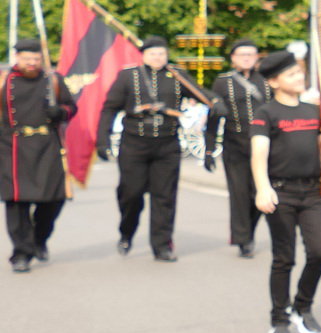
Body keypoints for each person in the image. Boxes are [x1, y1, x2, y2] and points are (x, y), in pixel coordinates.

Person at [249, 50, 321, 333]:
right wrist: (263, 188)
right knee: (283, 258)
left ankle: (302, 307)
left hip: (312, 193)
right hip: (281, 192)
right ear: (274, 82)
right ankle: (279, 320)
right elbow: (258, 153)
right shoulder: (266, 113)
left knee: (319, 252)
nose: (300, 77)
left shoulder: (314, 111)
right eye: (291, 74)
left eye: (300, 72)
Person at [96, 36, 189, 261]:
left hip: (167, 144)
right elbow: (110, 108)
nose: (157, 57)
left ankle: (162, 245)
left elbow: (201, 94)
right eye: (152, 54)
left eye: (162, 53)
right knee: (131, 193)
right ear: (144, 56)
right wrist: (102, 140)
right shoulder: (127, 76)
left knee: (165, 197)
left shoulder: (178, 75)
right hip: (134, 144)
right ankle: (126, 231)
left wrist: (217, 102)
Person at [3, 38, 78, 271]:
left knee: (55, 198)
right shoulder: (3, 80)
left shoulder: (53, 79)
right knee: (17, 202)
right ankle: (21, 254)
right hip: (12, 146)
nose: (32, 63)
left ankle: (39, 239)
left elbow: (72, 107)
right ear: (17, 58)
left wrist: (60, 112)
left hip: (47, 144)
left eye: (36, 59)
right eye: (27, 59)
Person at [206, 38, 268, 257]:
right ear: (233, 58)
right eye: (242, 54)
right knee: (239, 193)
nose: (246, 58)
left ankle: (248, 229)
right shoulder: (222, 81)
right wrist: (209, 149)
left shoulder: (267, 80)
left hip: (264, 145)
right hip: (235, 145)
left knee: (260, 192)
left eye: (251, 54)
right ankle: (243, 239)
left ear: (257, 57)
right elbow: (214, 116)